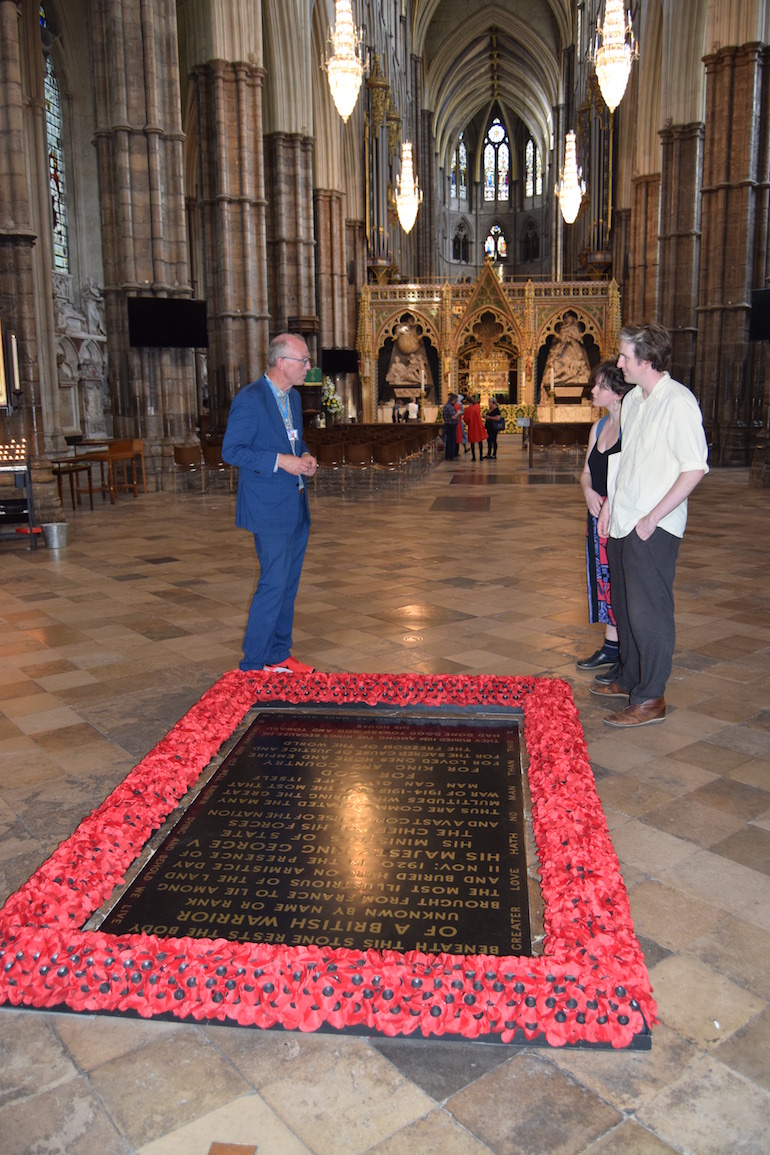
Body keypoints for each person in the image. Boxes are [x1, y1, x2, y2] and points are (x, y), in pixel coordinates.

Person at [590, 321, 708, 727]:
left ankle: (650, 697)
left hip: (652, 526)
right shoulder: (638, 399)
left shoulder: (678, 402)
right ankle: (630, 677)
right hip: (625, 519)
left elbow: (694, 469)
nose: (619, 362)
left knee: (649, 613)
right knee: (624, 607)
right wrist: (609, 506)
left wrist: (653, 517)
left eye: (624, 356)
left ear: (645, 359)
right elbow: (628, 460)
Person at [222, 333, 318, 674]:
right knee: (272, 584)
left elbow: (294, 439)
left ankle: (278, 654)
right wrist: (281, 461)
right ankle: (252, 666)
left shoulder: (291, 399)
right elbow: (232, 451)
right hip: (268, 508)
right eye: (303, 360)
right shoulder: (251, 399)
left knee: (287, 585)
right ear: (282, 363)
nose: (309, 366)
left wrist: (303, 454)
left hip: (295, 504)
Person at [577, 362, 631, 675]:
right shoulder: (597, 427)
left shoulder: (633, 427)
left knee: (620, 580)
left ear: (618, 393)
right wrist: (587, 493)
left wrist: (612, 501)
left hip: (621, 518)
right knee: (602, 579)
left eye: (599, 386)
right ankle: (611, 647)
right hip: (596, 515)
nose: (593, 391)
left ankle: (625, 653)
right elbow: (587, 472)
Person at [462, 395, 487, 461]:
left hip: (472, 427)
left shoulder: (468, 410)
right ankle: (481, 456)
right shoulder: (477, 407)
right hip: (479, 426)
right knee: (480, 442)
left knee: (472, 442)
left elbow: (466, 419)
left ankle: (474, 457)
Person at [442, 392, 460, 459]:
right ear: (454, 400)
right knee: (451, 441)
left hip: (449, 425)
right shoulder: (449, 407)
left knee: (449, 441)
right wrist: (458, 413)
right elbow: (453, 417)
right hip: (450, 426)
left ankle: (449, 455)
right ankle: (450, 455)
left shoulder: (447, 406)